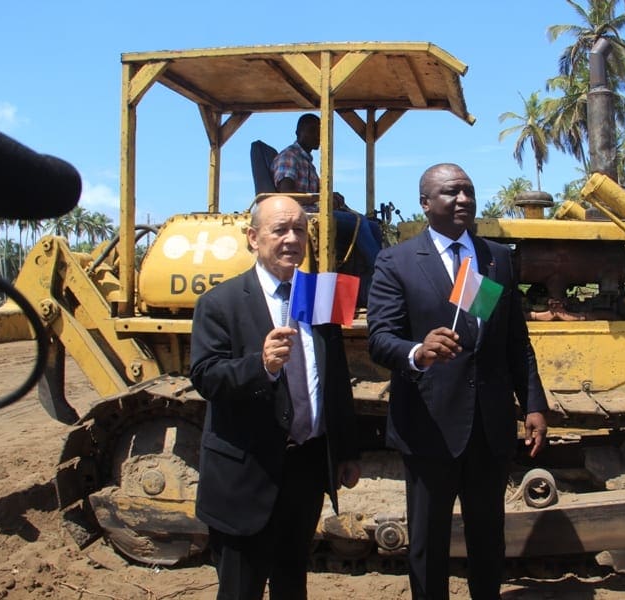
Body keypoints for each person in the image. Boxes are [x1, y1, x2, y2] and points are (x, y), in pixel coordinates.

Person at [366, 163, 548, 599]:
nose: (464, 199)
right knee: (429, 544)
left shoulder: (495, 258)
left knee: (488, 539)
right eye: (451, 192)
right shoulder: (397, 261)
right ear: (425, 204)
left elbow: (514, 341)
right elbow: (380, 339)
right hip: (428, 427)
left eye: (468, 190)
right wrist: (418, 351)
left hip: (489, 428)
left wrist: (533, 403)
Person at [190, 194, 361, 600]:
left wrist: (346, 451)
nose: (291, 239)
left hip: (304, 472)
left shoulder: (317, 295)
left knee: (292, 583)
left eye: (299, 230)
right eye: (279, 229)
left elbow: (335, 379)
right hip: (245, 478)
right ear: (253, 238)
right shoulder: (220, 302)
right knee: (240, 589)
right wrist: (261, 366)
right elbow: (206, 377)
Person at [271, 113, 382, 295]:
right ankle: (383, 273)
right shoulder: (289, 157)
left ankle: (370, 288)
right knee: (358, 222)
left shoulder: (307, 162)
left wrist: (333, 198)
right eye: (312, 131)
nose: (318, 136)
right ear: (298, 132)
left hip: (315, 212)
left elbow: (318, 194)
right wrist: (321, 198)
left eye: (320, 132)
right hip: (302, 215)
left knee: (373, 226)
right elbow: (286, 194)